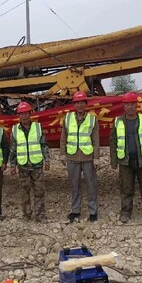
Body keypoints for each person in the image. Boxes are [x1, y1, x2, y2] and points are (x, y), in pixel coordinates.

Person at [110, 92, 142, 225]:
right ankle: (126, 212)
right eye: (127, 104)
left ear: (136, 105)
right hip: (125, 161)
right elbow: (113, 141)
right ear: (124, 106)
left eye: (132, 104)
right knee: (126, 188)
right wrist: (114, 160)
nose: (130, 107)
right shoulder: (118, 121)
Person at [60, 91, 100, 223]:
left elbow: (95, 140)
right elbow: (63, 137)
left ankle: (93, 211)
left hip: (87, 158)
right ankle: (75, 210)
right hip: (72, 157)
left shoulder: (92, 119)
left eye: (82, 102)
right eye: (77, 103)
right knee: (74, 186)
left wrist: (96, 157)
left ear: (86, 104)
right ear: (74, 105)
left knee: (91, 185)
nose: (80, 105)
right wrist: (62, 154)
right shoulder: (68, 118)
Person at [10, 101, 50, 223]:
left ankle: (40, 215)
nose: (24, 116)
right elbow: (13, 148)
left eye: (26, 113)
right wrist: (12, 165)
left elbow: (44, 144)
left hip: (37, 165)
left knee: (39, 190)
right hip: (23, 166)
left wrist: (47, 159)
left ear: (30, 114)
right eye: (21, 114)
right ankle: (26, 214)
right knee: (24, 191)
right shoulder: (15, 130)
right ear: (18, 116)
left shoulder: (37, 127)